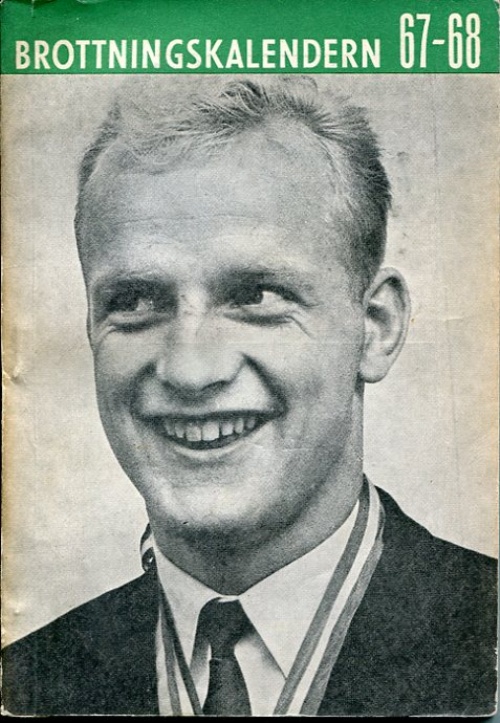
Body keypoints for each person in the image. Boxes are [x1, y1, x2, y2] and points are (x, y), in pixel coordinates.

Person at [2, 76, 497, 716]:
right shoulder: (26, 684)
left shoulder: (482, 635)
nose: (190, 370)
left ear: (375, 328)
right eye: (136, 301)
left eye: (255, 296)